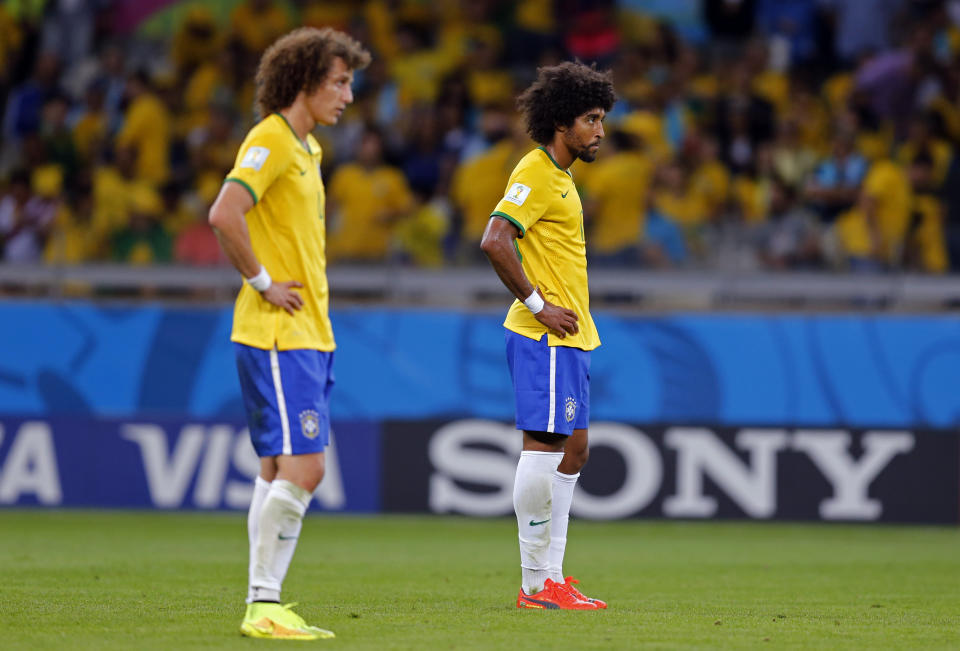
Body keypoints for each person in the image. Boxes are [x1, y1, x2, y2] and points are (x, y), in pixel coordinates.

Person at [208, 27, 370, 640]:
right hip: (279, 332)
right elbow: (225, 213)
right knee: (306, 469)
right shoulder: (271, 139)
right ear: (303, 82)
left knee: (278, 469)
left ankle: (262, 603)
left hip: (309, 332)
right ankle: (263, 601)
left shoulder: (308, 149)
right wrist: (262, 281)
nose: (348, 96)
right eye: (339, 81)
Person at [479, 61, 614, 611]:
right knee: (546, 446)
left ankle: (552, 577)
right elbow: (494, 239)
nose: (600, 131)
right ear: (562, 122)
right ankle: (534, 585)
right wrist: (538, 305)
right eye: (591, 118)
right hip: (545, 337)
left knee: (574, 451)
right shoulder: (535, 172)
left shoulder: (560, 179)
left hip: (572, 338)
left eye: (602, 118)